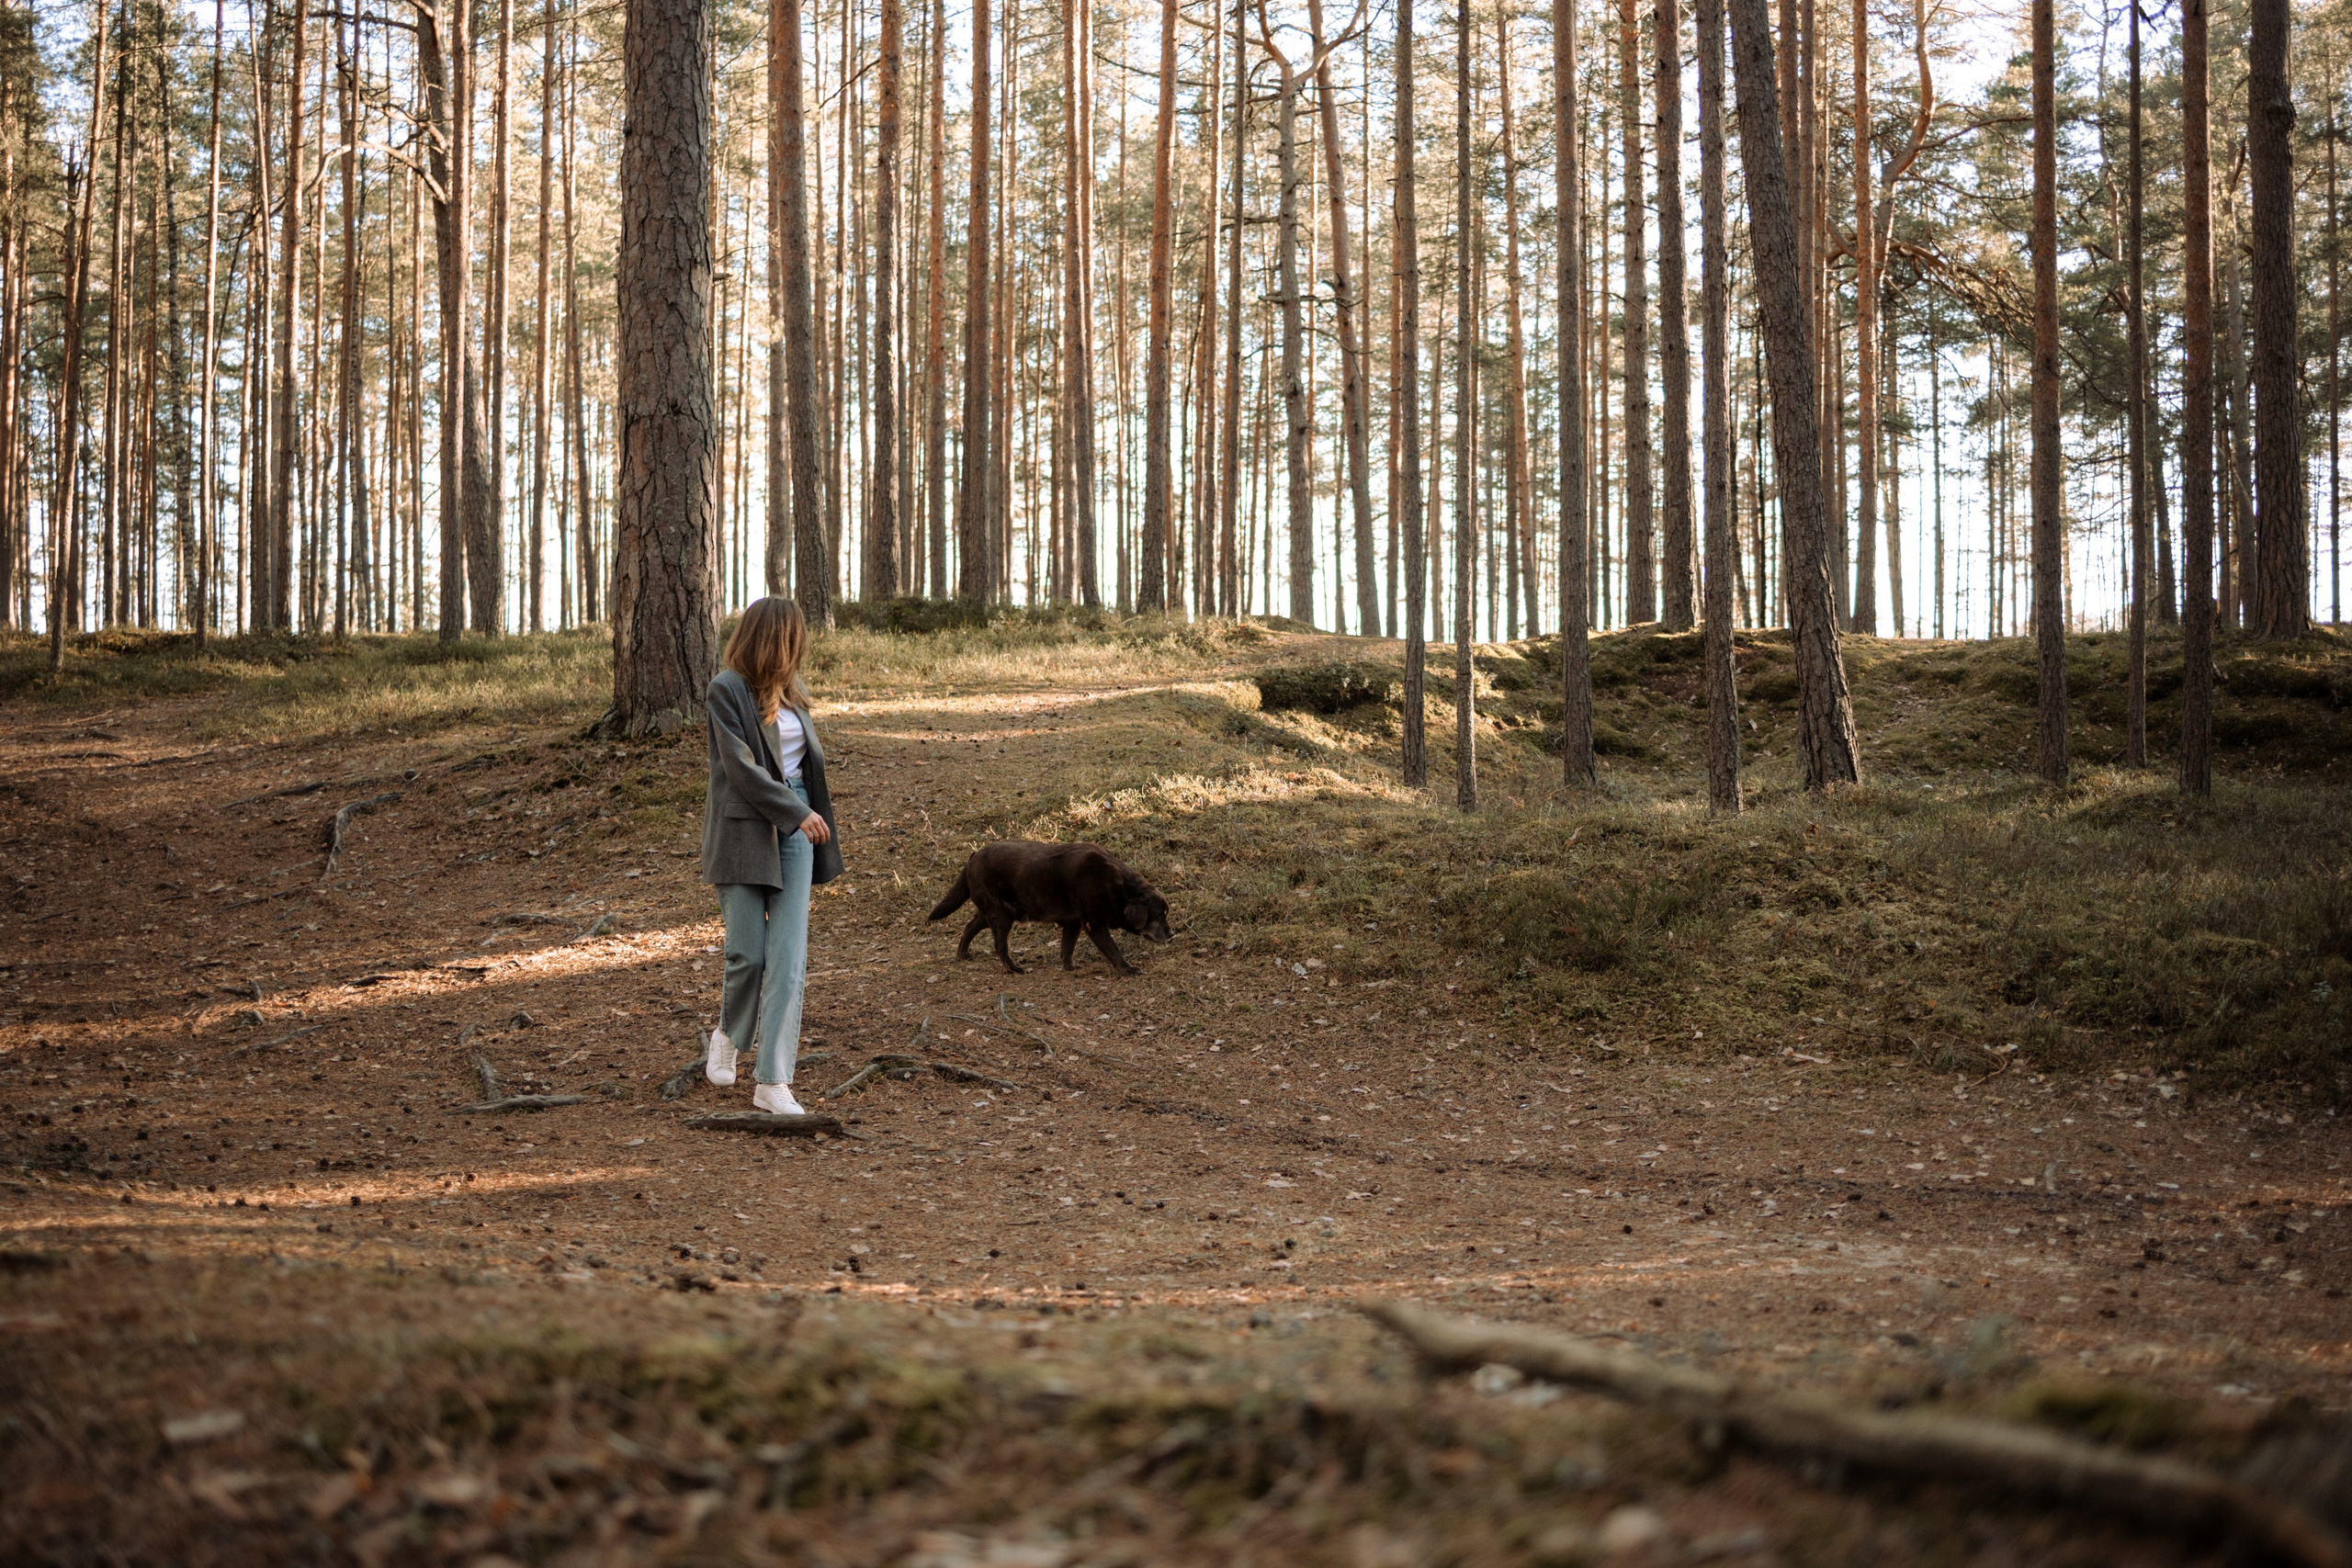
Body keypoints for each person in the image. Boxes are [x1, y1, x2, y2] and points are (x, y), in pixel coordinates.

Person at [699, 597, 842, 1113]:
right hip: (743, 831)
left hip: (796, 828)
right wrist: (794, 810)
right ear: (775, 639)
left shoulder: (796, 696)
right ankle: (727, 1034)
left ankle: (773, 1080)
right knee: (748, 954)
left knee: (787, 959)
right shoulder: (725, 690)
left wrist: (804, 812)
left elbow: (805, 767)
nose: (799, 646)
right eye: (794, 637)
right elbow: (739, 769)